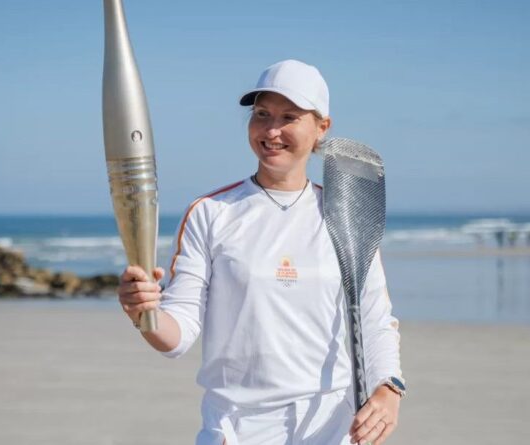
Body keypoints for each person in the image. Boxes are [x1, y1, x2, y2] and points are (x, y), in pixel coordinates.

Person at [118, 59, 403, 445]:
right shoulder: (211, 213)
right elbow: (178, 336)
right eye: (262, 115)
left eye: (289, 117)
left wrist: (389, 390)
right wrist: (145, 313)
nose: (271, 131)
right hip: (236, 430)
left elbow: (375, 320)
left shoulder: (347, 214)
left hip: (334, 430)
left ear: (322, 128)